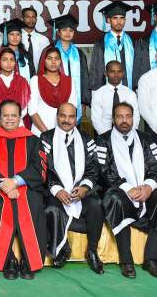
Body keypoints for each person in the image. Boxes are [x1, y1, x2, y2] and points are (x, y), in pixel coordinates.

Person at [0, 100, 46, 280]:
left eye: (14, 115)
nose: (10, 119)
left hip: (25, 186)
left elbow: (39, 168)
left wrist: (15, 181)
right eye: (6, 115)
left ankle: (29, 261)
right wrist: (5, 185)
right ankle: (7, 260)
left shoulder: (33, 140)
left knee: (32, 204)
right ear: (0, 117)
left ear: (20, 117)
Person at [97, 102, 157, 280]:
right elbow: (103, 171)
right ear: (113, 119)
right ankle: (126, 261)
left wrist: (148, 186)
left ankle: (151, 260)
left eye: (128, 116)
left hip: (144, 186)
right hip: (118, 189)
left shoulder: (146, 139)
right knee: (116, 200)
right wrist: (127, 188)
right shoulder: (103, 140)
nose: (124, 120)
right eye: (120, 116)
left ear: (134, 118)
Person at [41, 103, 105, 274]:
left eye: (71, 117)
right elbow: (43, 168)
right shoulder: (46, 138)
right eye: (63, 116)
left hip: (81, 190)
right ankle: (62, 247)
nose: (66, 120)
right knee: (51, 208)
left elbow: (94, 168)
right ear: (57, 117)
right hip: (56, 189)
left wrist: (85, 187)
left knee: (96, 205)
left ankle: (92, 251)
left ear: (76, 119)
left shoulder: (86, 139)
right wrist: (57, 189)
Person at [48, 13, 90, 121]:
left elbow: (84, 78)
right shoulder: (49, 51)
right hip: (54, 96)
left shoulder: (79, 54)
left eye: (71, 30)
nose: (68, 33)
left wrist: (84, 101)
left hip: (76, 98)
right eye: (64, 30)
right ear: (58, 32)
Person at [29, 46, 79, 136]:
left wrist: (60, 134)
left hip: (64, 132)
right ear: (43, 61)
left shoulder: (69, 81)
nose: (53, 62)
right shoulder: (35, 80)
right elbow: (32, 111)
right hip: (40, 132)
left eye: (57, 58)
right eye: (49, 58)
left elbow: (72, 107)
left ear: (60, 61)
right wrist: (47, 134)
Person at [89, 1, 138, 89]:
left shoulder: (133, 42)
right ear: (108, 20)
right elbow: (96, 71)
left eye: (122, 18)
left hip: (129, 89)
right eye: (115, 18)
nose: (119, 22)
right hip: (107, 90)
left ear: (125, 20)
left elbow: (138, 68)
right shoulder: (101, 43)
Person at [0, 47, 30, 132]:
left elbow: (24, 109)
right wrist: (1, 123)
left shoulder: (23, 82)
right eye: (5, 60)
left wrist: (13, 122)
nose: (9, 63)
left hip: (18, 124)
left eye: (12, 60)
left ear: (15, 62)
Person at [91, 60, 140, 135]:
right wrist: (107, 137)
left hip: (128, 135)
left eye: (119, 71)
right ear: (106, 73)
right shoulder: (98, 94)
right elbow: (96, 120)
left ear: (123, 73)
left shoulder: (130, 94)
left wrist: (128, 135)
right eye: (112, 71)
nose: (116, 75)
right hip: (104, 135)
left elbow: (135, 118)